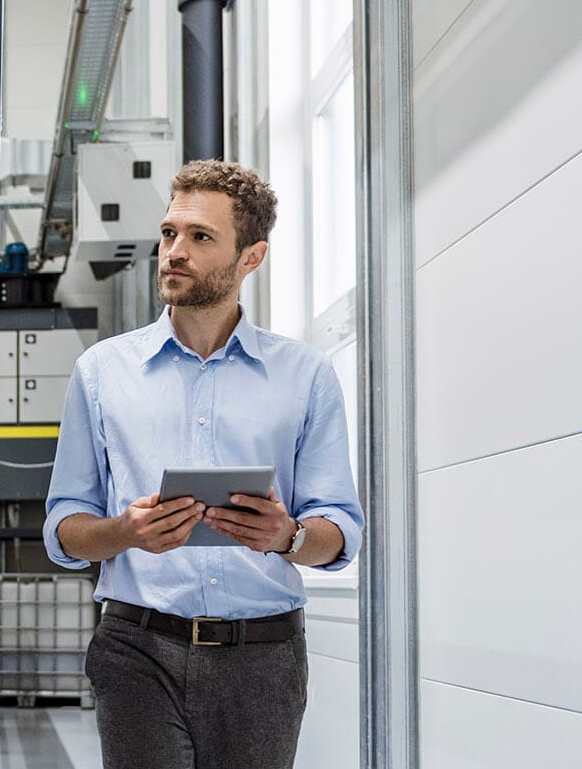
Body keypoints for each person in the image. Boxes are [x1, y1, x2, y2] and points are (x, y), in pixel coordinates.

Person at [42, 160, 365, 769]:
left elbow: (340, 530)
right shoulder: (102, 372)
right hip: (137, 648)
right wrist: (123, 532)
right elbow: (64, 526)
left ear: (252, 257)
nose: (174, 252)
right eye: (169, 233)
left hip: (263, 658)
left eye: (200, 237)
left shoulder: (306, 376)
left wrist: (287, 535)